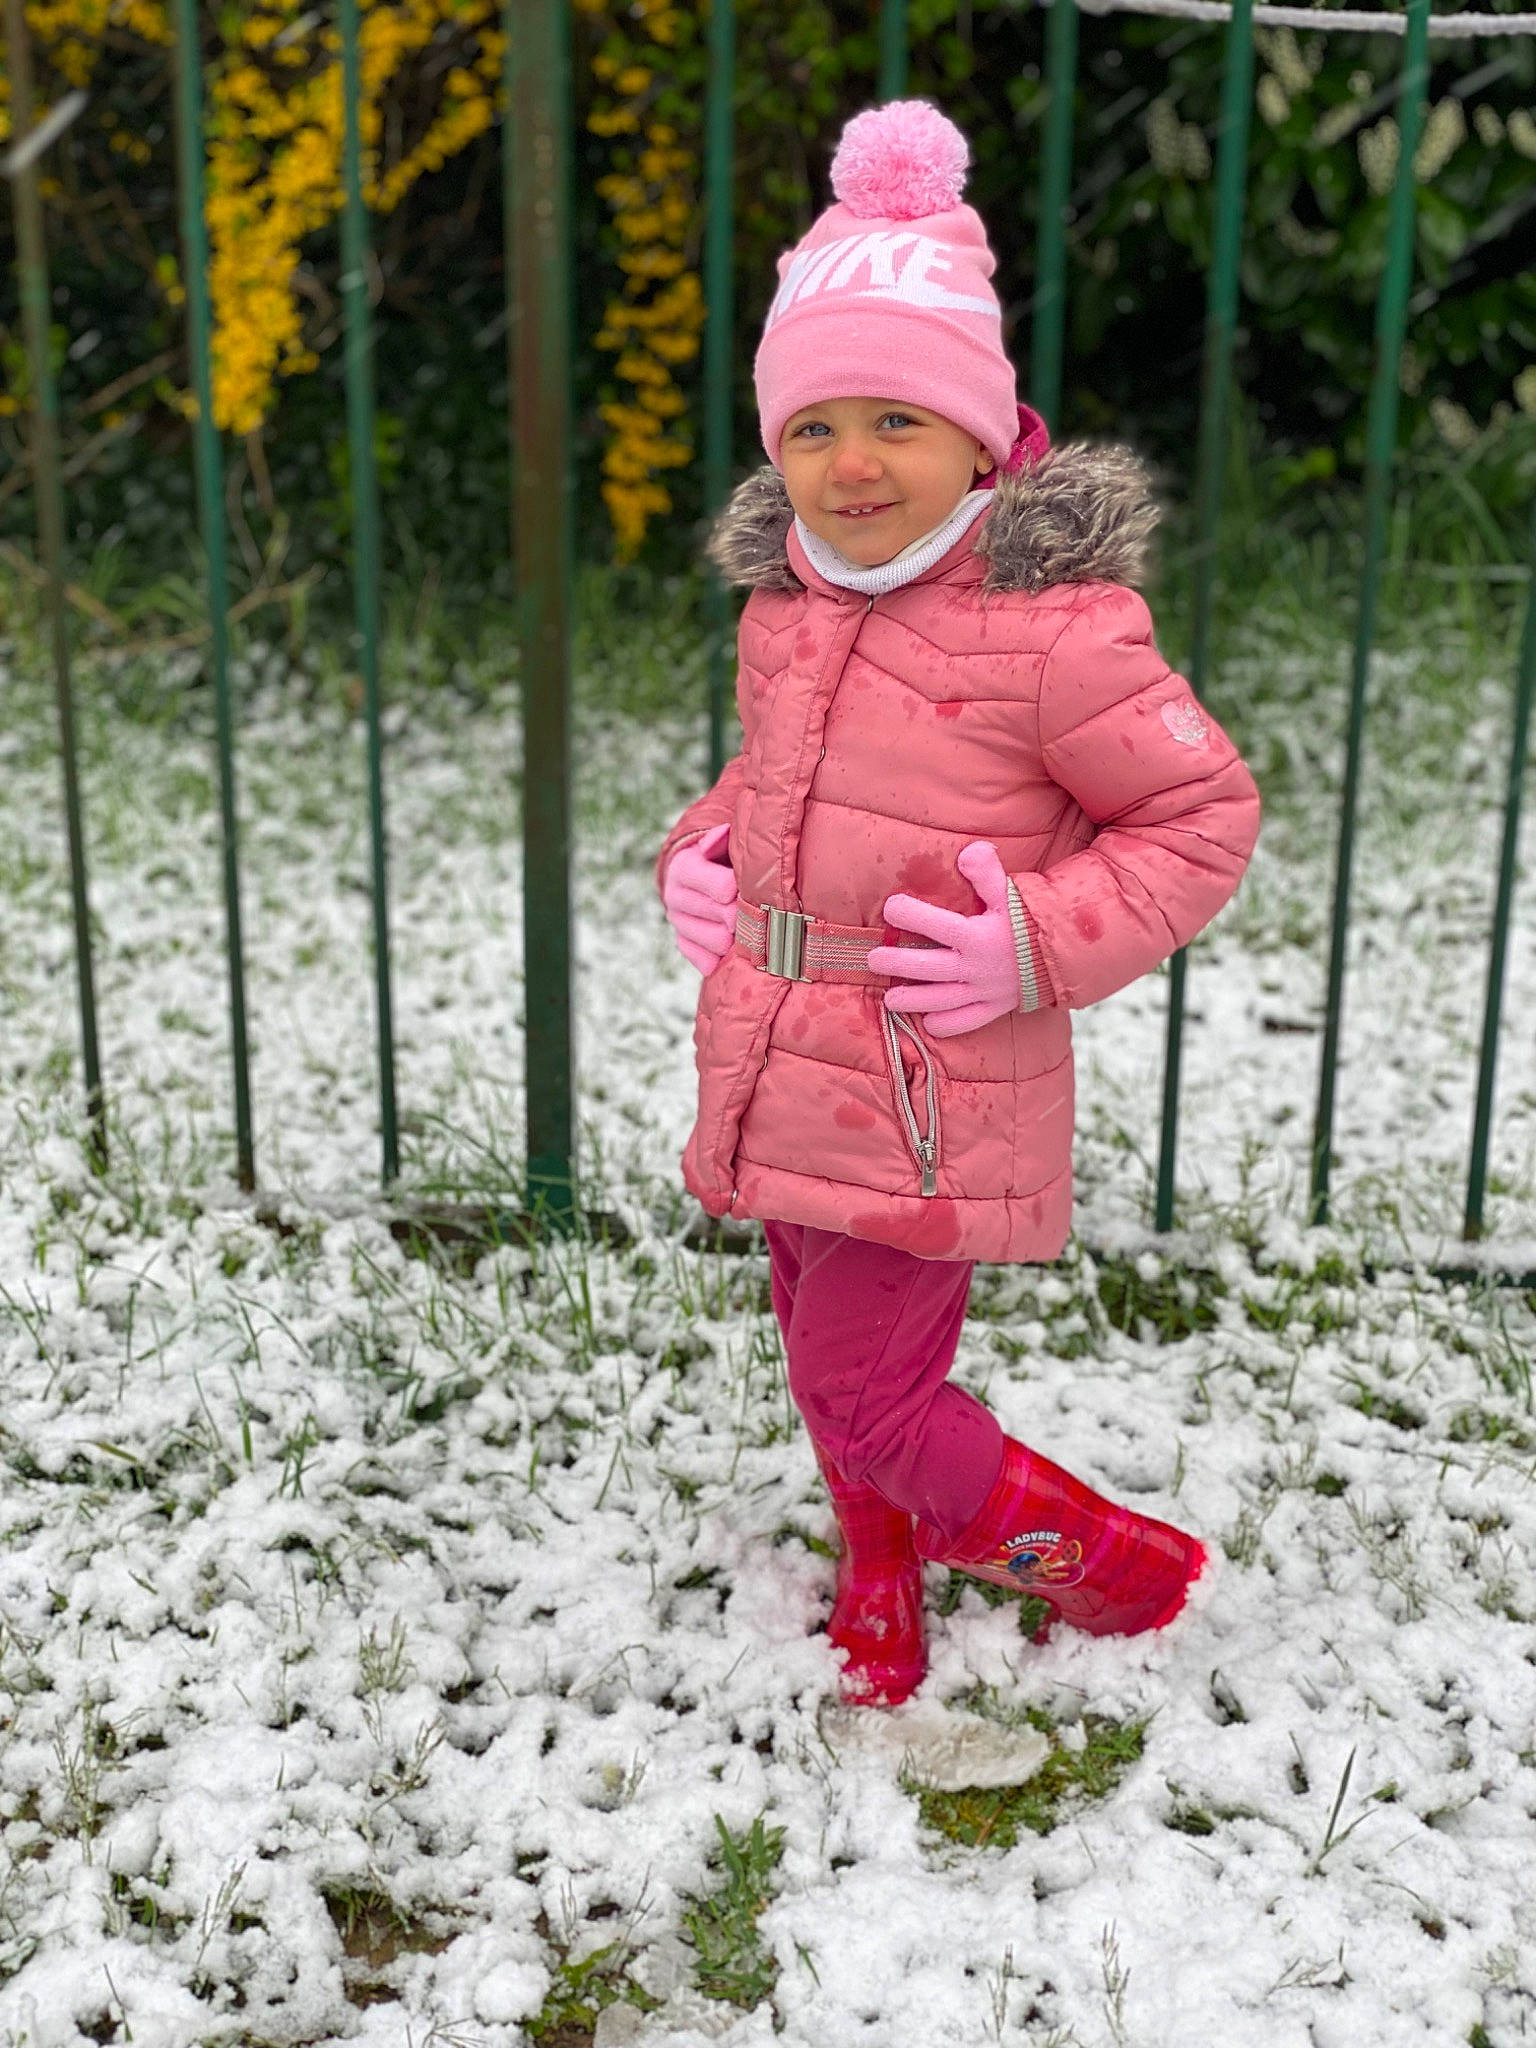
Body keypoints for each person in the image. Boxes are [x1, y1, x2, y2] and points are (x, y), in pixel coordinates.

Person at [655, 99, 1260, 1707]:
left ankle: (1117, 1569)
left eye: (898, 423)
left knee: (869, 1392)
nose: (851, 466)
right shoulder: (791, 609)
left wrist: (1032, 947)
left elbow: (1200, 812)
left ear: (985, 440)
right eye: (812, 427)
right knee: (830, 1359)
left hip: (928, 1079)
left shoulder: (1055, 631)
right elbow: (770, 785)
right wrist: (702, 854)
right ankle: (879, 1565)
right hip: (783, 1048)